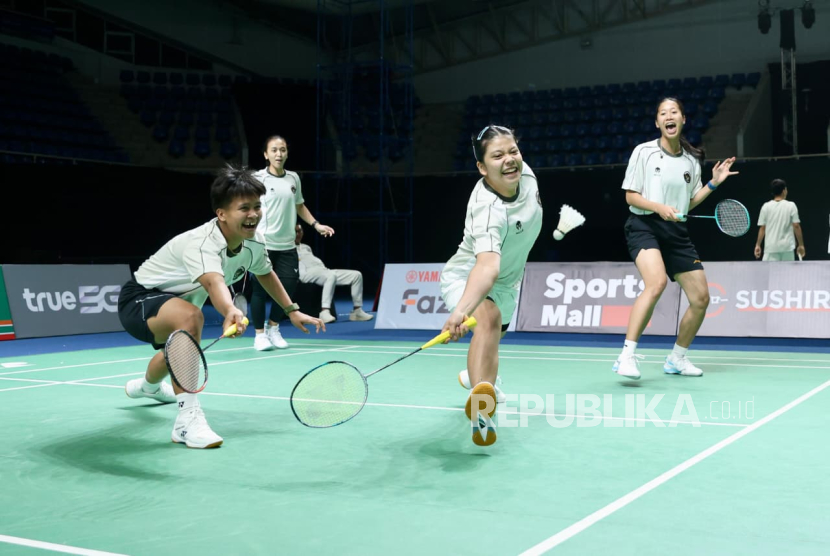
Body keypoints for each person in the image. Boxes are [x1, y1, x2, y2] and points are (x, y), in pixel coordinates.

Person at [118, 165, 325, 449]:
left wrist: (292, 310)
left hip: (175, 305)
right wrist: (229, 310)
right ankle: (187, 422)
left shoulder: (254, 241)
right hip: (139, 300)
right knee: (191, 317)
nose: (253, 215)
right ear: (222, 214)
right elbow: (214, 282)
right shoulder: (203, 243)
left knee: (176, 354)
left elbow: (265, 273)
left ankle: (147, 387)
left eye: (257, 206)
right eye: (244, 208)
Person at [614, 97, 738, 381]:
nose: (668, 116)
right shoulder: (644, 152)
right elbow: (630, 196)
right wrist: (659, 207)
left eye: (674, 112)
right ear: (657, 122)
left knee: (701, 298)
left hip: (676, 231)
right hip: (644, 225)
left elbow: (688, 202)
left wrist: (713, 183)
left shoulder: (691, 160)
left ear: (683, 119)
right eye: (663, 113)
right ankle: (626, 356)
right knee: (656, 282)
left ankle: (676, 359)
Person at [440, 125, 542, 447]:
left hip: (509, 283)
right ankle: (482, 414)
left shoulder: (524, 175)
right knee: (488, 320)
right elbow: (487, 267)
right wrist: (461, 311)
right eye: (498, 156)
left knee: (492, 337)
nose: (509, 159)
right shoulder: (486, 208)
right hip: (468, 275)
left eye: (513, 151)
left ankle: (475, 377)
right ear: (482, 168)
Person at [250, 135, 334, 351]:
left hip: (287, 245)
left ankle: (273, 328)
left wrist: (316, 225)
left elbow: (300, 205)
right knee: (259, 291)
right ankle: (259, 335)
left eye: (283, 150)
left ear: (287, 153)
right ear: (266, 154)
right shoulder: (257, 178)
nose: (279, 154)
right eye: (274, 150)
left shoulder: (293, 178)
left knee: (287, 288)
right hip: (263, 244)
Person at [294, 224, 374, 323]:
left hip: (322, 271)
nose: (298, 234)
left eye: (300, 231)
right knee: (330, 276)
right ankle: (324, 312)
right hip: (305, 274)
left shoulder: (306, 247)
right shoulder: (287, 248)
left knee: (356, 275)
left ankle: (357, 311)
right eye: (295, 231)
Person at [754, 179, 805, 261]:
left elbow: (762, 228)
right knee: (787, 270)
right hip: (787, 248)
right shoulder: (791, 205)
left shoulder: (766, 206)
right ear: (784, 190)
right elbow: (796, 226)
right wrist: (801, 245)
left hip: (770, 248)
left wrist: (758, 245)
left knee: (768, 270)